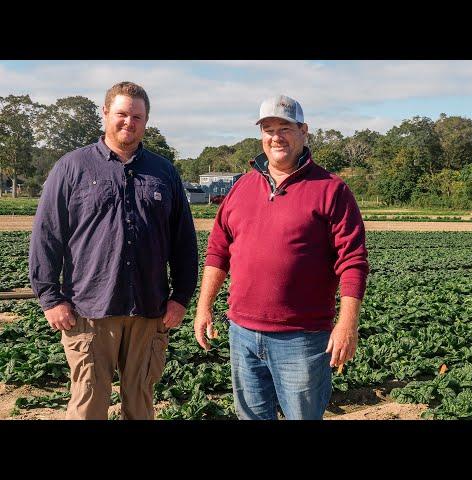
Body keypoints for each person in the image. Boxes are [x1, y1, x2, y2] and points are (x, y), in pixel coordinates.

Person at [28, 81, 198, 420]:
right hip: (89, 310)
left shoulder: (163, 172)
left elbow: (183, 241)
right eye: (121, 113)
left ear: (146, 121)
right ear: (105, 114)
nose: (128, 122)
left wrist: (181, 297)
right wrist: (50, 298)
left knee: (140, 402)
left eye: (137, 116)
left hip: (150, 311)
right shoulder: (72, 167)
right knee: (88, 403)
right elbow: (47, 236)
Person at [194, 94, 369, 420]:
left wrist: (347, 323)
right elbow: (218, 251)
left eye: (285, 128)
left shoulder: (331, 190)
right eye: (268, 129)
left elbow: (353, 261)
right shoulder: (241, 188)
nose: (276, 137)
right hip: (242, 334)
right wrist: (204, 306)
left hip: (302, 339)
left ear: (303, 131)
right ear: (261, 135)